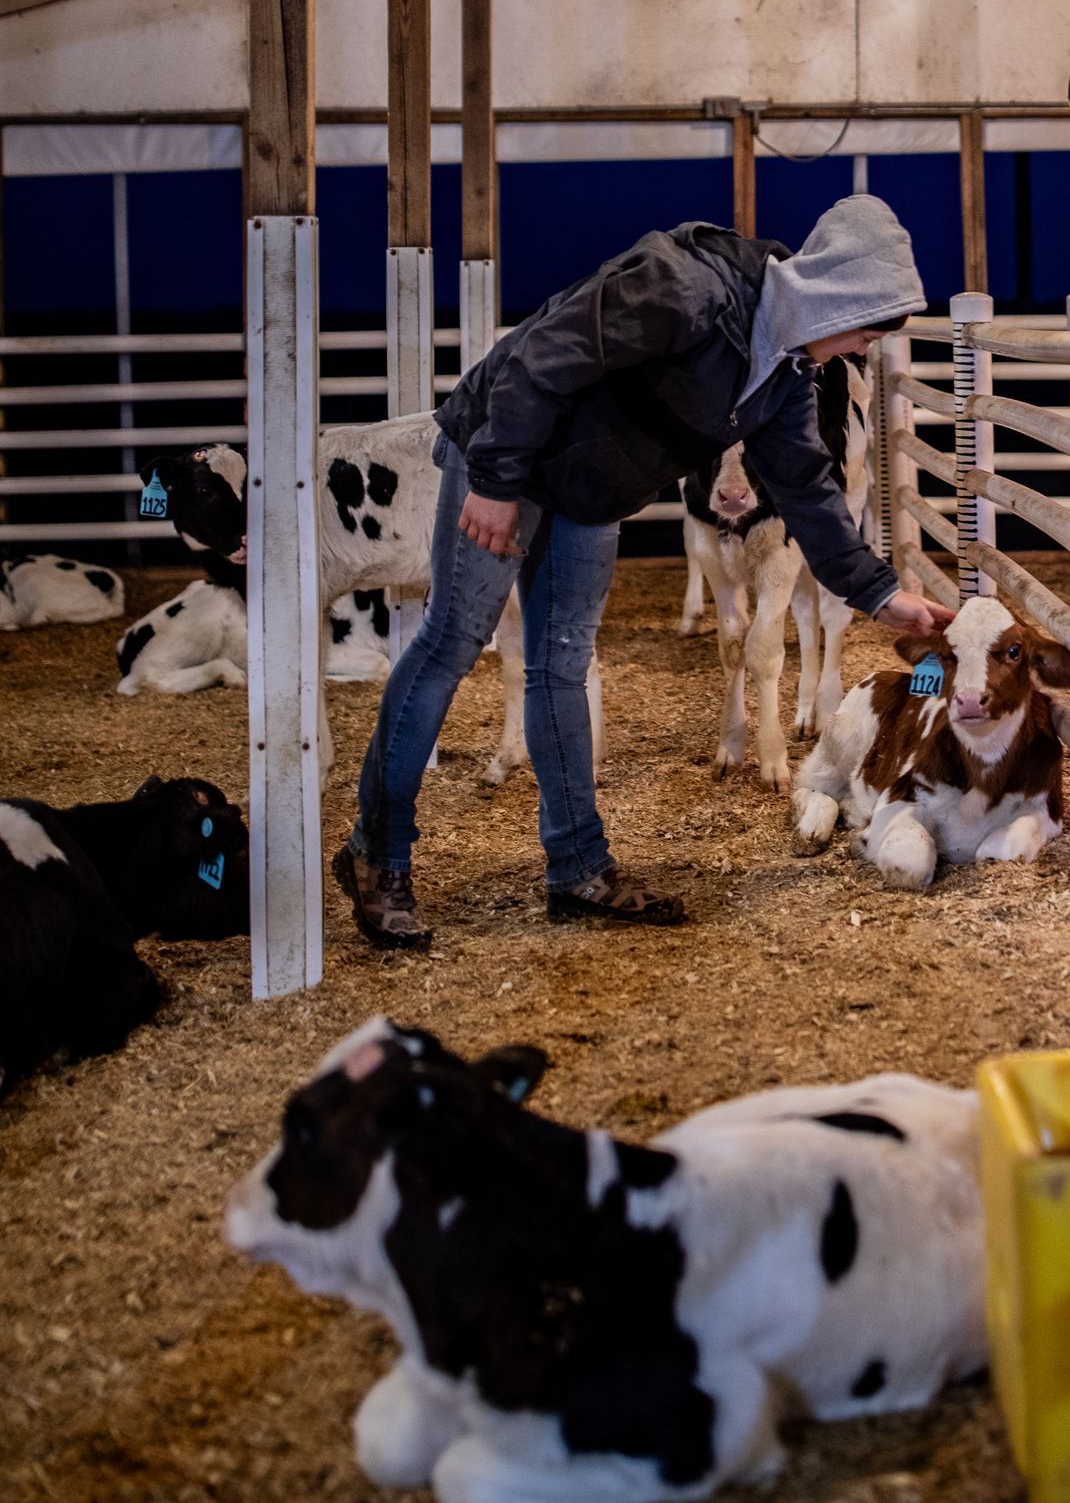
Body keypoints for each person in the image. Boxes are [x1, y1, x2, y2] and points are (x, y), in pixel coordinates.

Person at [333, 196, 953, 950]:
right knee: (452, 642)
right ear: (840, 295)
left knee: (561, 664)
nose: (860, 349)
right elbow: (541, 358)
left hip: (591, 488)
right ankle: (378, 853)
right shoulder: (683, 287)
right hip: (510, 452)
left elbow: (806, 488)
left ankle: (576, 866)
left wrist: (881, 594)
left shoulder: (784, 371)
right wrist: (494, 480)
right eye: (866, 328)